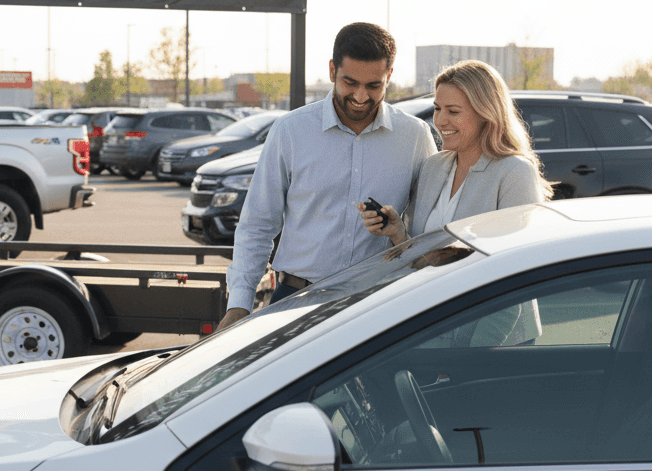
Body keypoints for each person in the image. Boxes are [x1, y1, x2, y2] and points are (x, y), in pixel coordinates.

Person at [216, 22, 437, 330]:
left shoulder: (414, 135)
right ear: (333, 70)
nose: (361, 96)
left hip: (377, 303)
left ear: (388, 76)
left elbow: (425, 226)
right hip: (294, 301)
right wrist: (239, 304)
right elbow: (257, 224)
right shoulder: (291, 131)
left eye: (374, 86)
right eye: (350, 82)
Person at [361, 59, 554, 345]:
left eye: (453, 111)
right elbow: (426, 258)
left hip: (497, 339)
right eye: (438, 109)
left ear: (485, 113)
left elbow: (516, 274)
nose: (440, 121)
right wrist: (397, 232)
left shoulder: (514, 172)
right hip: (439, 329)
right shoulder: (433, 167)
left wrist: (468, 354)